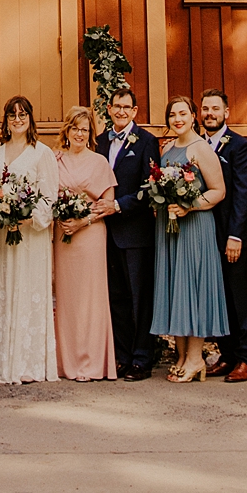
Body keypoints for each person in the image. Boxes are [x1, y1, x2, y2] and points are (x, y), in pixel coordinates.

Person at [0, 94, 58, 385]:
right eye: (12, 114)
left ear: (30, 117)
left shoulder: (41, 152)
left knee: (26, 289)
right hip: (2, 233)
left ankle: (27, 362)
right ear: (6, 119)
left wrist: (27, 218)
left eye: (22, 114)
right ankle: (0, 360)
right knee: (3, 288)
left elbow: (49, 197)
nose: (17, 119)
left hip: (30, 236)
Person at [150, 96, 229, 382]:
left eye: (183, 113)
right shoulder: (168, 148)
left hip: (194, 226)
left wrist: (189, 206)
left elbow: (218, 190)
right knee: (176, 287)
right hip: (170, 226)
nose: (178, 119)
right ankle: (182, 356)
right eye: (173, 115)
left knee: (193, 287)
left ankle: (196, 358)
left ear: (193, 116)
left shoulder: (201, 148)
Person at [95, 85, 162, 379]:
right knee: (117, 297)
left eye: (126, 107)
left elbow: (150, 187)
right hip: (104, 233)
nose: (121, 111)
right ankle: (122, 356)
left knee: (140, 298)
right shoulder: (99, 141)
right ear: (109, 109)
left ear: (134, 111)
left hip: (135, 232)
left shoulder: (147, 141)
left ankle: (142, 358)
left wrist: (118, 206)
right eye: (116, 106)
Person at [53, 105, 117, 381]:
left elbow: (107, 204)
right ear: (66, 130)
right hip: (63, 236)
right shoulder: (55, 159)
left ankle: (90, 364)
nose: (79, 134)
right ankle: (65, 363)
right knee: (67, 299)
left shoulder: (99, 161)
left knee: (90, 299)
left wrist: (83, 221)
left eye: (84, 129)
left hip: (90, 234)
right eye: (75, 128)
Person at [199, 88, 247, 382]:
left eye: (215, 109)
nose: (209, 114)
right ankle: (227, 354)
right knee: (218, 297)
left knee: (239, 298)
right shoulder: (196, 145)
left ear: (226, 113)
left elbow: (244, 194)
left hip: (234, 237)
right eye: (205, 109)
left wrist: (235, 236)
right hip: (205, 236)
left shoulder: (239, 147)